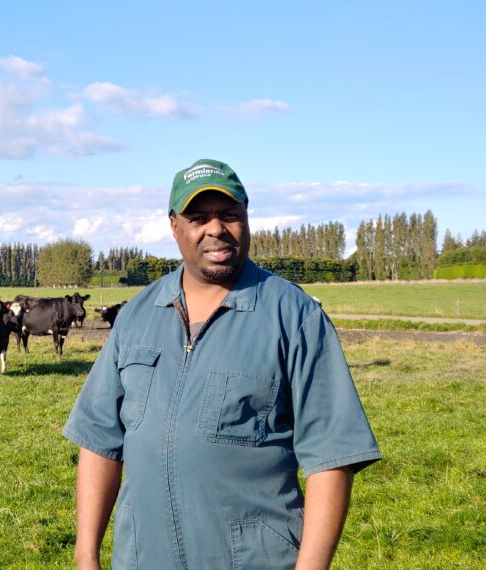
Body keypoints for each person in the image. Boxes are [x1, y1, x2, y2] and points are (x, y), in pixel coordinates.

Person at [63, 159, 381, 569]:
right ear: (174, 225)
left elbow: (332, 458)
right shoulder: (137, 315)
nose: (216, 229)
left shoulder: (294, 316)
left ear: (247, 219)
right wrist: (86, 554)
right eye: (199, 218)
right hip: (143, 558)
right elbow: (99, 439)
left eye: (229, 215)